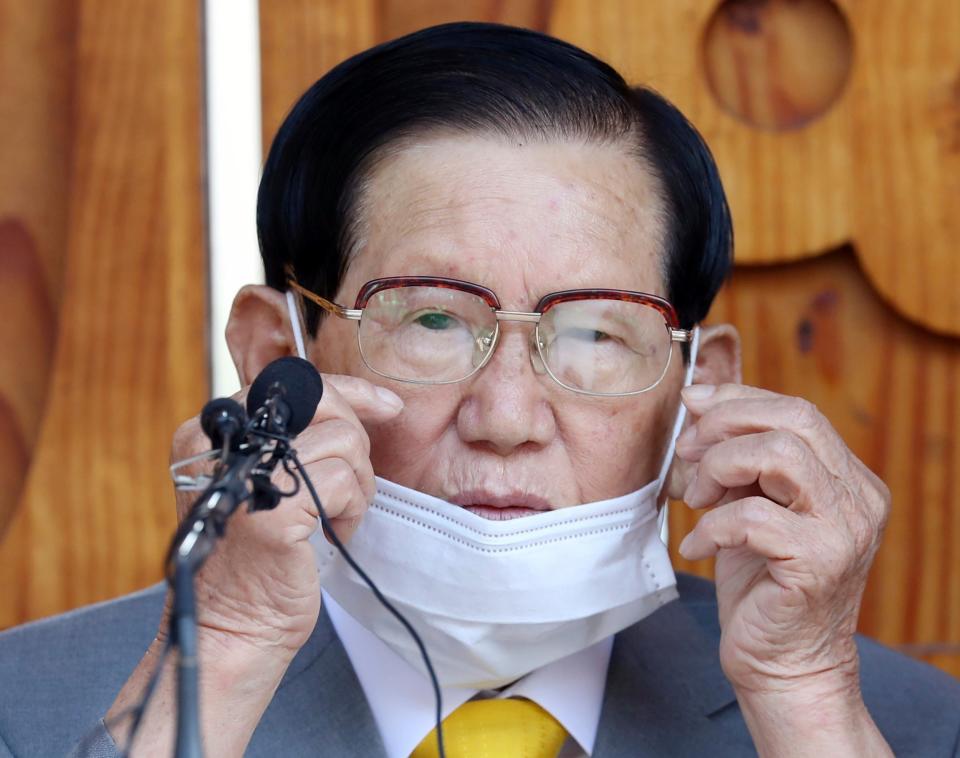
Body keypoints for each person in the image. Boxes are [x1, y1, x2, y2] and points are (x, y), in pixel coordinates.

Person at [1, 21, 958, 758]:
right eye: (431, 321)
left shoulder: (898, 727)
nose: (506, 420)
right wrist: (230, 651)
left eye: (591, 333)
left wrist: (804, 700)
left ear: (696, 389)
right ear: (271, 357)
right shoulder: (23, 709)